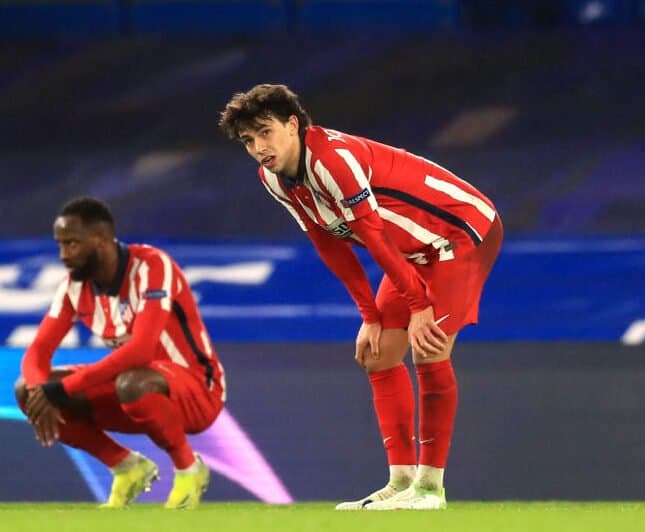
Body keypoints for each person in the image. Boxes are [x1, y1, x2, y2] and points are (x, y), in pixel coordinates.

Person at [219, 84, 503, 510]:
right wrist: (370, 314)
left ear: (292, 125)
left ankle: (430, 488)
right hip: (411, 250)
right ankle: (401, 481)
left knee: (429, 346)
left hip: (458, 234)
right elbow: (330, 243)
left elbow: (371, 236)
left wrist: (420, 307)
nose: (259, 147)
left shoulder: (332, 160)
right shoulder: (276, 179)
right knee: (378, 353)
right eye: (248, 140)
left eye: (265, 132)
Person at [15, 197, 226, 509]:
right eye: (60, 245)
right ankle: (127, 467)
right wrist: (38, 392)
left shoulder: (152, 267)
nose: (64, 255)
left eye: (72, 244)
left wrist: (61, 389)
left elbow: (140, 352)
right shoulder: (74, 286)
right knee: (24, 389)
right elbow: (38, 352)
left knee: (129, 381)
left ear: (101, 240)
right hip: (133, 393)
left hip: (198, 390)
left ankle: (188, 469)